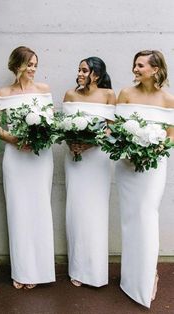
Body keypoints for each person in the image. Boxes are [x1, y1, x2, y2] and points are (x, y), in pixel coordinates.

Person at [115, 50, 174, 308]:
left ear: (155, 69)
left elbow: (171, 135)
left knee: (146, 215)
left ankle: (149, 275)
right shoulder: (126, 94)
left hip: (153, 166)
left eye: (140, 65)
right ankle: (130, 278)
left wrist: (156, 149)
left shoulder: (169, 99)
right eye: (134, 65)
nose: (135, 69)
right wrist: (128, 146)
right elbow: (115, 130)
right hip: (127, 166)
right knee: (130, 219)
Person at [0, 46, 55, 289]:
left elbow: (50, 124)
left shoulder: (44, 90)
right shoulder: (4, 92)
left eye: (35, 65)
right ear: (16, 65)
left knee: (40, 209)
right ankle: (22, 271)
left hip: (40, 157)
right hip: (15, 157)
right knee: (18, 210)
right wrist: (17, 140)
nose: (32, 69)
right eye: (28, 64)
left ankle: (40, 271)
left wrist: (37, 138)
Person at [63, 56, 116, 287]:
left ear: (96, 73)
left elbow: (111, 129)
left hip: (98, 159)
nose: (80, 73)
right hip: (75, 158)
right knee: (76, 210)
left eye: (85, 70)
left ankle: (95, 270)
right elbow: (63, 126)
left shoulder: (108, 95)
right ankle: (77, 268)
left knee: (95, 211)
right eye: (79, 70)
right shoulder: (70, 95)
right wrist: (71, 143)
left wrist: (89, 144)